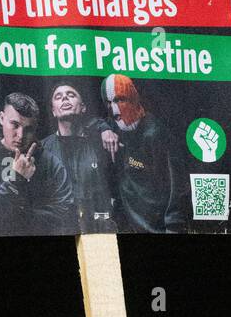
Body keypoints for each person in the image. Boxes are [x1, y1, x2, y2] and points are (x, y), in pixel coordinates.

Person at [0, 92, 74, 236]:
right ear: (2, 118)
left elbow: (66, 213)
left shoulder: (51, 162)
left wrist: (16, 219)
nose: (20, 135)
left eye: (28, 129)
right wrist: (16, 179)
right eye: (15, 125)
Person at [101, 75, 188, 233]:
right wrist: (104, 130)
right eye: (108, 102)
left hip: (156, 228)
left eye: (119, 100)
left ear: (133, 99)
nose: (114, 109)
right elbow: (91, 122)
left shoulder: (155, 133)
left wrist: (173, 229)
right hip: (126, 226)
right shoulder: (113, 128)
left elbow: (177, 188)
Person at [39, 83, 119, 232]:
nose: (64, 98)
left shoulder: (102, 143)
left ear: (83, 107)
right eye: (58, 97)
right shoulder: (42, 150)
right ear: (53, 111)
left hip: (99, 230)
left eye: (71, 95)